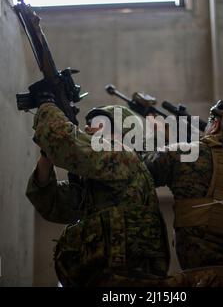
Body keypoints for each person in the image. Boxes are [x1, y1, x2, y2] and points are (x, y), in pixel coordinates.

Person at [25, 97, 170, 287]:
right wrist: (47, 154)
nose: (89, 129)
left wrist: (47, 104)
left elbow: (65, 142)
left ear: (124, 135)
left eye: (99, 125)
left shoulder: (124, 158)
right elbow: (50, 202)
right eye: (88, 125)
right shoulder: (95, 186)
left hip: (126, 280)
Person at [143, 91, 223, 286]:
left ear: (216, 124)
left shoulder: (190, 154)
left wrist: (155, 135)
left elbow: (139, 172)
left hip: (204, 280)